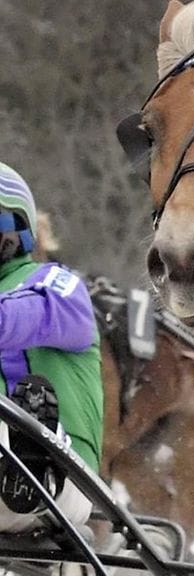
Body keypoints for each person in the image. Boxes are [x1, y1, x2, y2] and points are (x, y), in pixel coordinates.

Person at [0, 161, 102, 533]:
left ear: (10, 231)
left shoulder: (57, 284)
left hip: (66, 474)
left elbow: (14, 320)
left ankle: (30, 455)